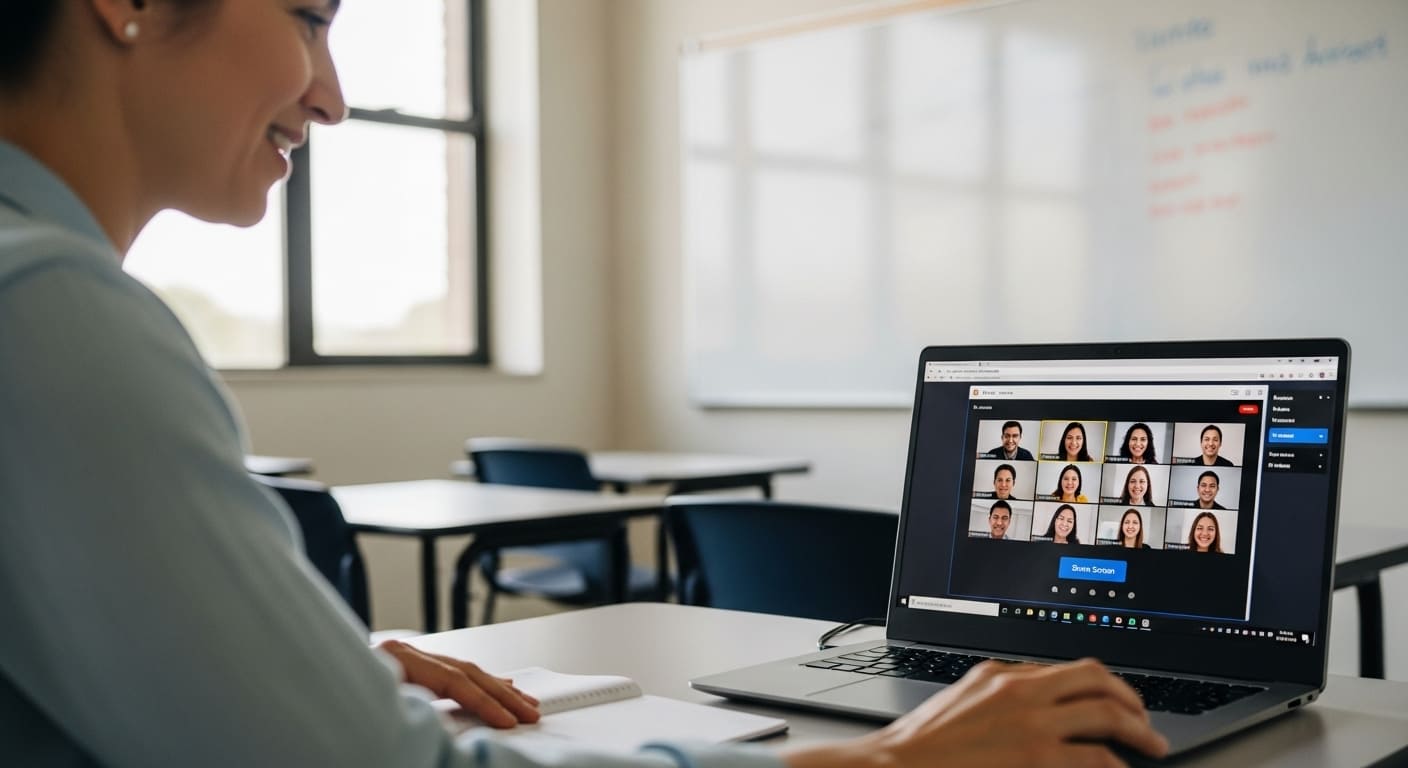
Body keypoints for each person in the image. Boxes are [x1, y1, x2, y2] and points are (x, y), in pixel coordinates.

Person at [0, 1, 1168, 766]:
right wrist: (890, 762)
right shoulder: (50, 313)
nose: (332, 93)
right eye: (309, 14)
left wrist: (285, 674)